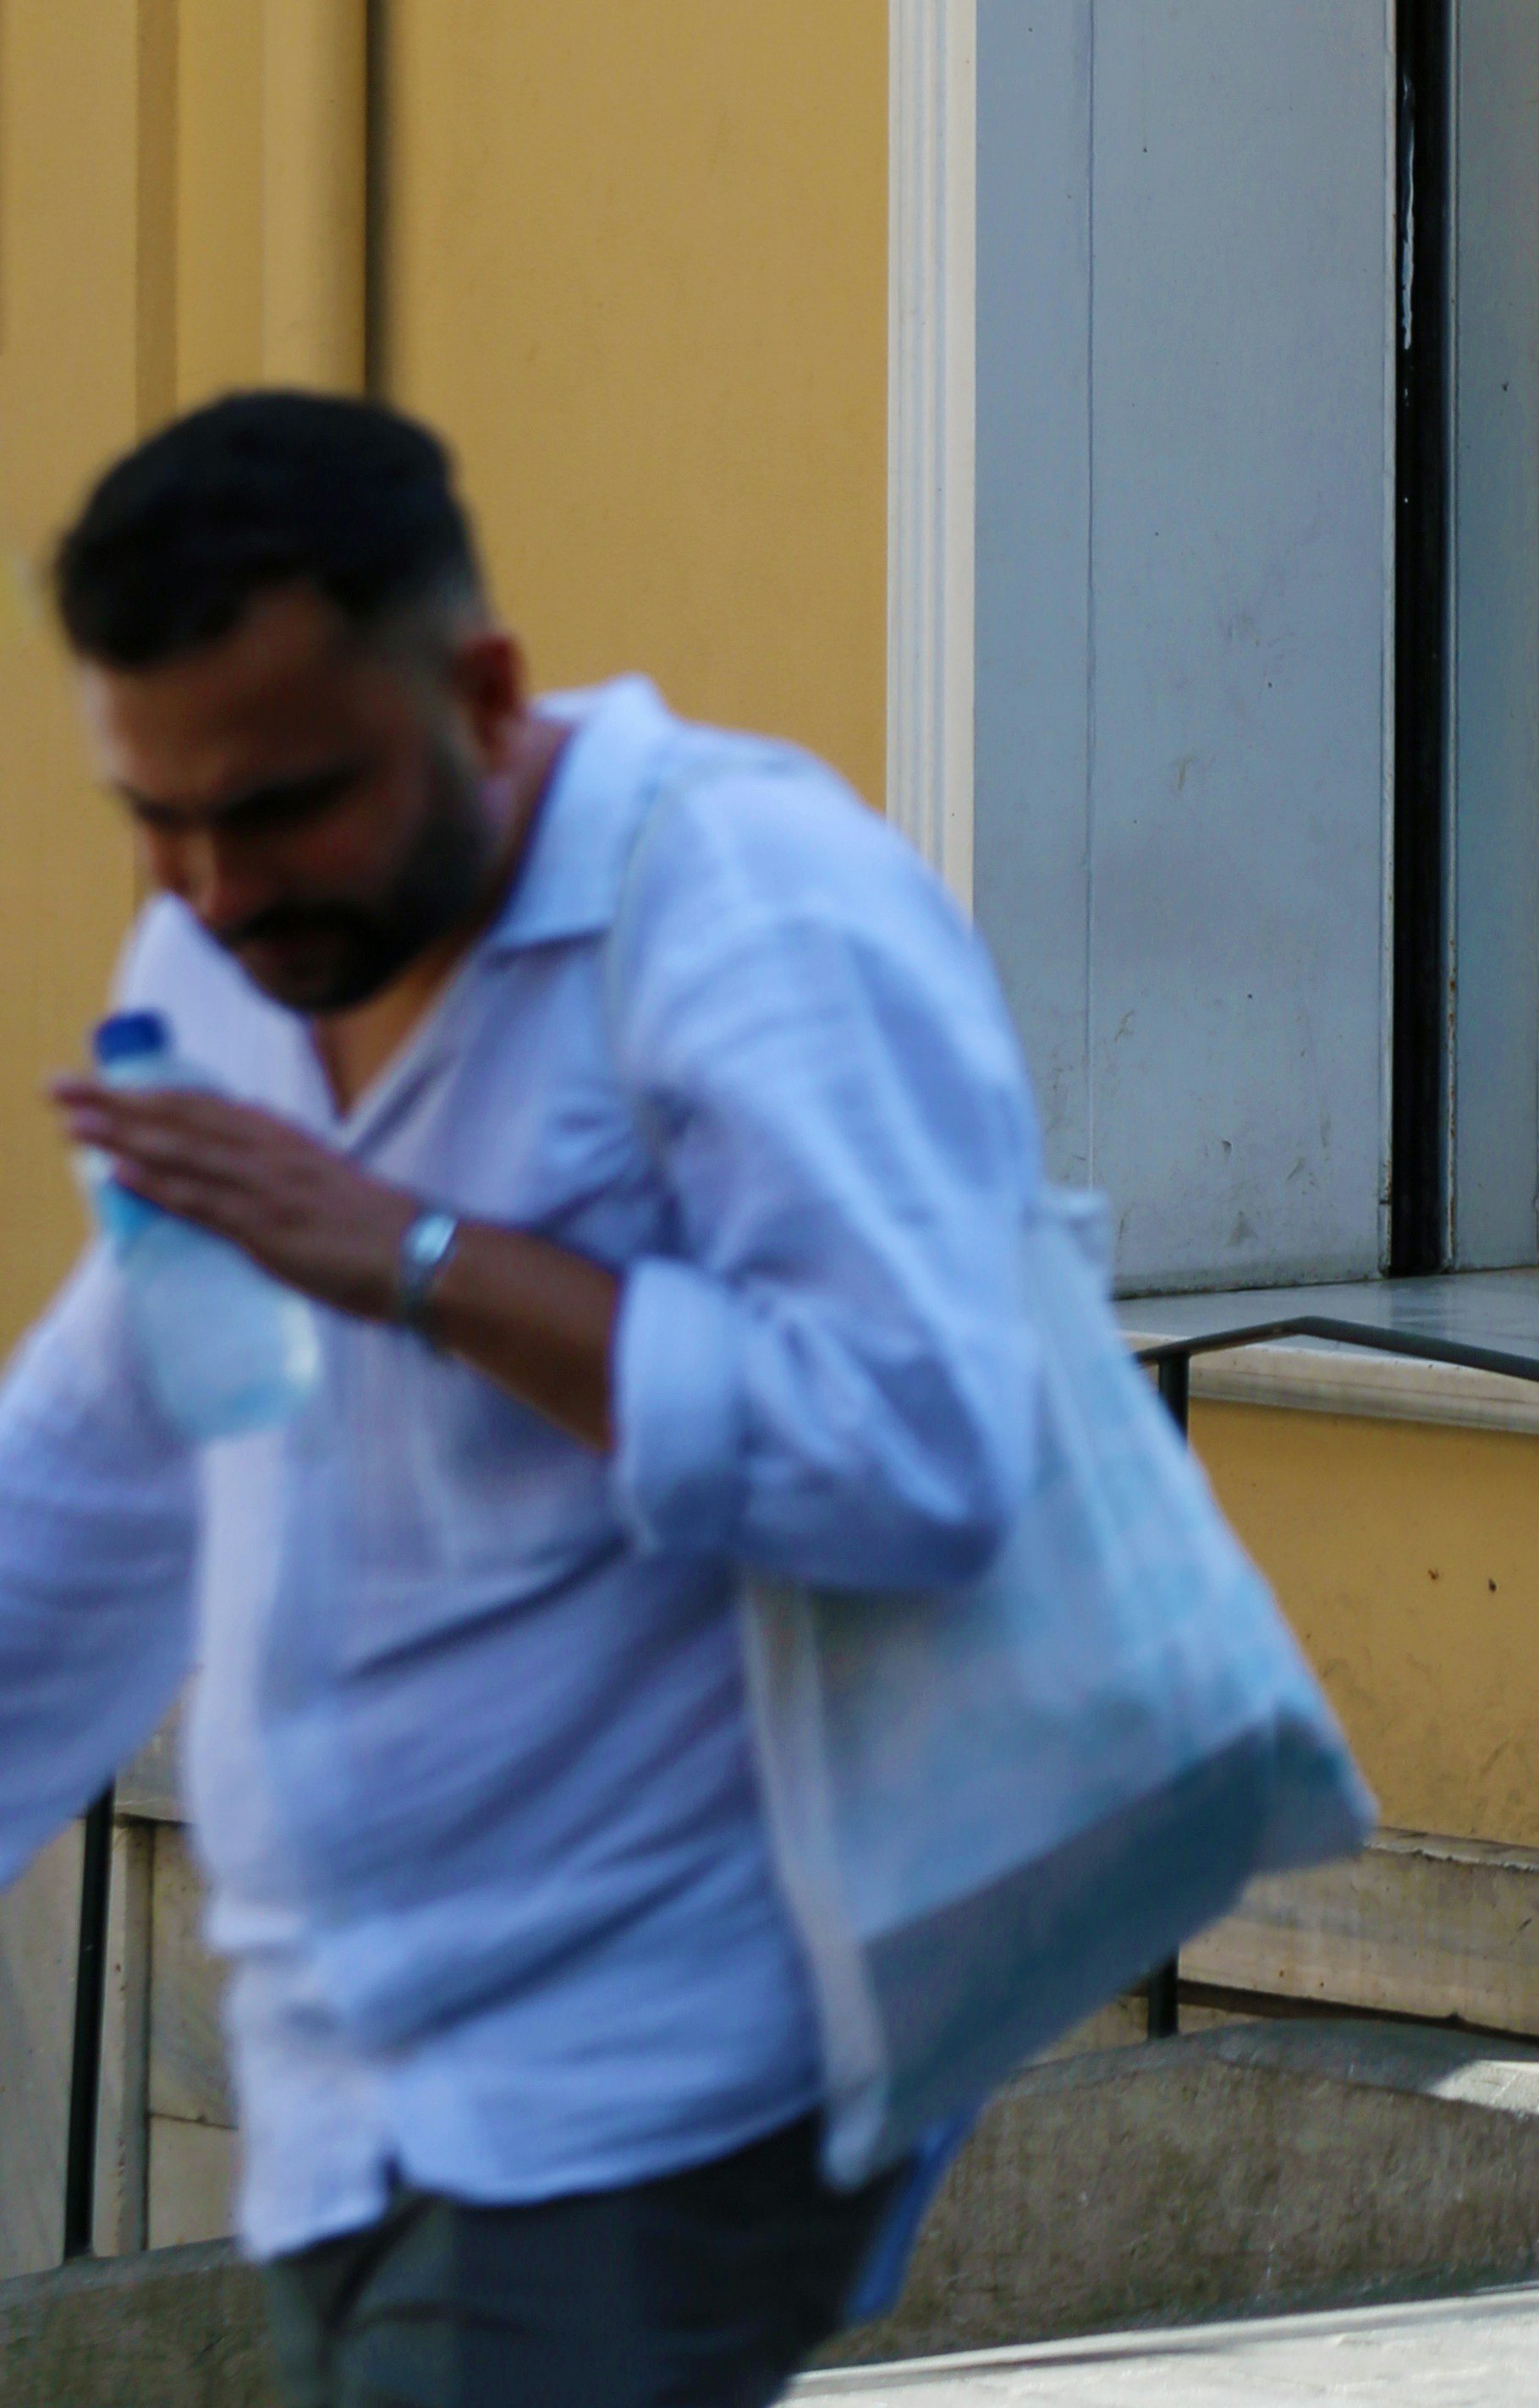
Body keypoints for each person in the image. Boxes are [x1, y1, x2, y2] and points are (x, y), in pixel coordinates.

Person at [0, 388, 1043, 2406]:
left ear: (480, 691)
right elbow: (109, 1460)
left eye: (286, 807)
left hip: (663, 2062)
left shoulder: (749, 902)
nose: (213, 887)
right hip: (342, 2078)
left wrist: (409, 1254)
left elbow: (925, 1453)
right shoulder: (223, 955)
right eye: (158, 815)